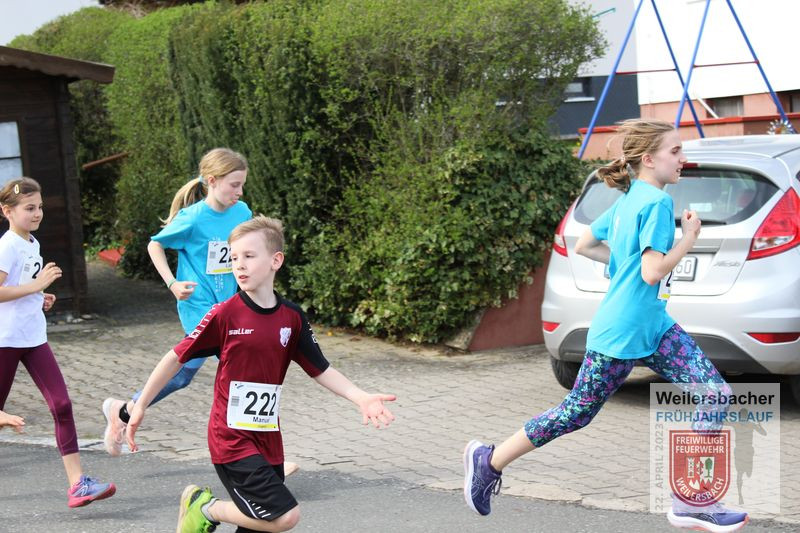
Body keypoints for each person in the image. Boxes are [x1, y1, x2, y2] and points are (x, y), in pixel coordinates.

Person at [462, 119, 749, 532]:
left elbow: (586, 244)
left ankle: (692, 500)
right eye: (675, 151)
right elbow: (652, 271)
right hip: (621, 333)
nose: (683, 159)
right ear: (648, 159)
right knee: (575, 413)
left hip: (654, 326)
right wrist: (689, 238)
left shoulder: (631, 197)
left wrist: (624, 266)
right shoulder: (655, 203)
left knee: (714, 394)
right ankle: (488, 461)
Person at [126, 216, 396, 532]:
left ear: (275, 260)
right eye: (233, 258)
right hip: (230, 438)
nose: (239, 265)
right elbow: (175, 357)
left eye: (249, 256)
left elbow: (320, 368)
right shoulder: (225, 314)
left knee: (258, 526)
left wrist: (360, 397)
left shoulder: (292, 317)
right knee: (284, 516)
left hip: (267, 436)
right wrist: (141, 404)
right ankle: (206, 508)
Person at [100, 147, 252, 452]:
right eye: (234, 185)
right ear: (212, 181)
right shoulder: (192, 219)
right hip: (198, 306)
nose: (240, 192)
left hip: (228, 305)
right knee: (240, 367)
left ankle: (124, 410)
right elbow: (154, 245)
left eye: (242, 185)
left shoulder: (242, 213)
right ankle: (250, 446)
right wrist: (172, 283)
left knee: (182, 375)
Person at [0, 177, 116, 508]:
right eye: (29, 208)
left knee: (62, 405)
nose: (37, 213)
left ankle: (78, 484)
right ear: (7, 211)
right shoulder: (7, 246)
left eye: (39, 207)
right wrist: (36, 286)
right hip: (6, 340)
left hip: (33, 337)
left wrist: (40, 296)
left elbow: (21, 288)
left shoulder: (31, 242)